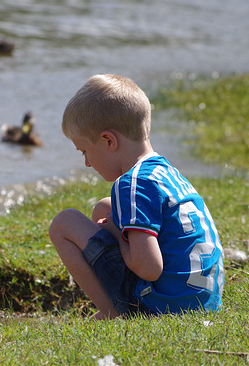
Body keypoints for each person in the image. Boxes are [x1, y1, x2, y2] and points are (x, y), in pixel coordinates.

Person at [49, 74, 224, 319]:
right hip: (202, 303)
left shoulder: (132, 184)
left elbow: (149, 268)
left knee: (64, 223)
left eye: (85, 151)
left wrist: (117, 233)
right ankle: (116, 305)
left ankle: (112, 313)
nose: (87, 163)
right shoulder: (165, 172)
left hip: (163, 308)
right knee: (104, 207)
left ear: (108, 140)